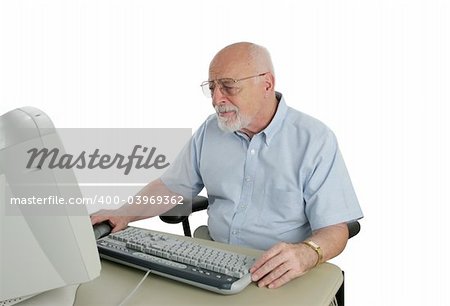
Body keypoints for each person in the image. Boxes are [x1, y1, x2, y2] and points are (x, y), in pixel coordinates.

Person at [91, 42, 363, 289]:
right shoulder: (211, 130)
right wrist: (123, 214)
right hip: (213, 258)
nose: (216, 99)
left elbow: (335, 229)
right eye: (212, 88)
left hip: (279, 271)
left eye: (228, 86)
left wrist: (307, 252)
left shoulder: (314, 139)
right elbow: (171, 187)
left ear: (267, 84)